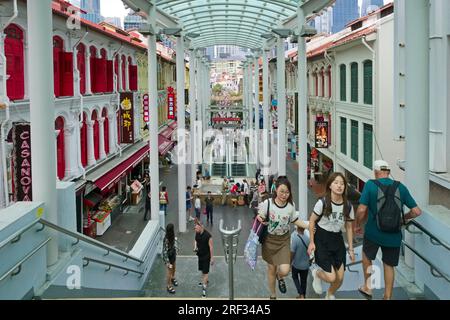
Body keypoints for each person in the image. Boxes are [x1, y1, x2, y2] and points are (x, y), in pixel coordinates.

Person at [356, 160, 422, 300]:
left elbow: (361, 210)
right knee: (389, 264)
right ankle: (387, 296)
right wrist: (403, 218)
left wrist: (357, 224)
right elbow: (416, 211)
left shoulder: (370, 185)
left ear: (375, 172)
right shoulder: (401, 187)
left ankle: (368, 287)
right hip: (394, 234)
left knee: (367, 256)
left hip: (373, 232)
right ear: (389, 172)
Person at [256, 176, 309, 300]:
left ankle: (280, 277)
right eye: (282, 191)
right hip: (269, 240)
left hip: (284, 240)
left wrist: (308, 225)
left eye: (287, 192)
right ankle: (273, 295)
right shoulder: (267, 203)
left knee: (285, 270)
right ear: (276, 190)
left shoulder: (291, 206)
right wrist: (260, 218)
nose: (284, 195)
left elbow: (294, 220)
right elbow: (260, 215)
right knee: (271, 269)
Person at [307, 172, 355, 299]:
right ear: (330, 186)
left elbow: (349, 227)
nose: (339, 186)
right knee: (331, 277)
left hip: (337, 239)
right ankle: (316, 273)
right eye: (336, 183)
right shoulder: (322, 203)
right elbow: (312, 221)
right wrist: (312, 242)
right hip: (322, 239)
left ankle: (330, 293)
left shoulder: (348, 206)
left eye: (342, 183)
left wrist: (351, 249)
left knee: (340, 278)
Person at [194, 220, 214, 298]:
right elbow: (195, 240)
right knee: (202, 270)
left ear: (201, 227)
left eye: (196, 228)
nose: (195, 229)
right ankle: (205, 281)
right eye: (194, 228)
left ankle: (204, 290)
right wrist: (195, 247)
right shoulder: (197, 233)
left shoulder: (208, 236)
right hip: (200, 255)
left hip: (206, 256)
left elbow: (211, 247)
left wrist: (212, 258)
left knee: (205, 273)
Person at [291, 225, 310, 299]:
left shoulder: (295, 239)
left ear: (297, 229)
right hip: (306, 265)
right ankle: (303, 296)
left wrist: (290, 262)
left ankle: (301, 294)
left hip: (296, 264)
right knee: (304, 281)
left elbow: (292, 252)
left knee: (294, 277)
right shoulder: (308, 239)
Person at [162, 223, 179, 294]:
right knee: (169, 271)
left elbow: (174, 244)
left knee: (174, 268)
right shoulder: (166, 239)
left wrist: (176, 249)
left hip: (172, 254)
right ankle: (169, 286)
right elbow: (164, 252)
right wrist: (168, 263)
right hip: (168, 256)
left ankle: (172, 278)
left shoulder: (172, 236)